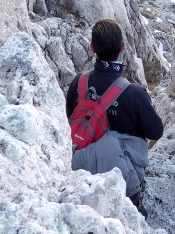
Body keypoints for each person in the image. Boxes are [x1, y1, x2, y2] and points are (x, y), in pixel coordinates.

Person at [66, 19, 163, 216]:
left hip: (80, 170)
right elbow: (156, 131)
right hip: (120, 178)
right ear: (123, 47)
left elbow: (69, 117)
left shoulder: (79, 82)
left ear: (92, 48)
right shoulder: (134, 92)